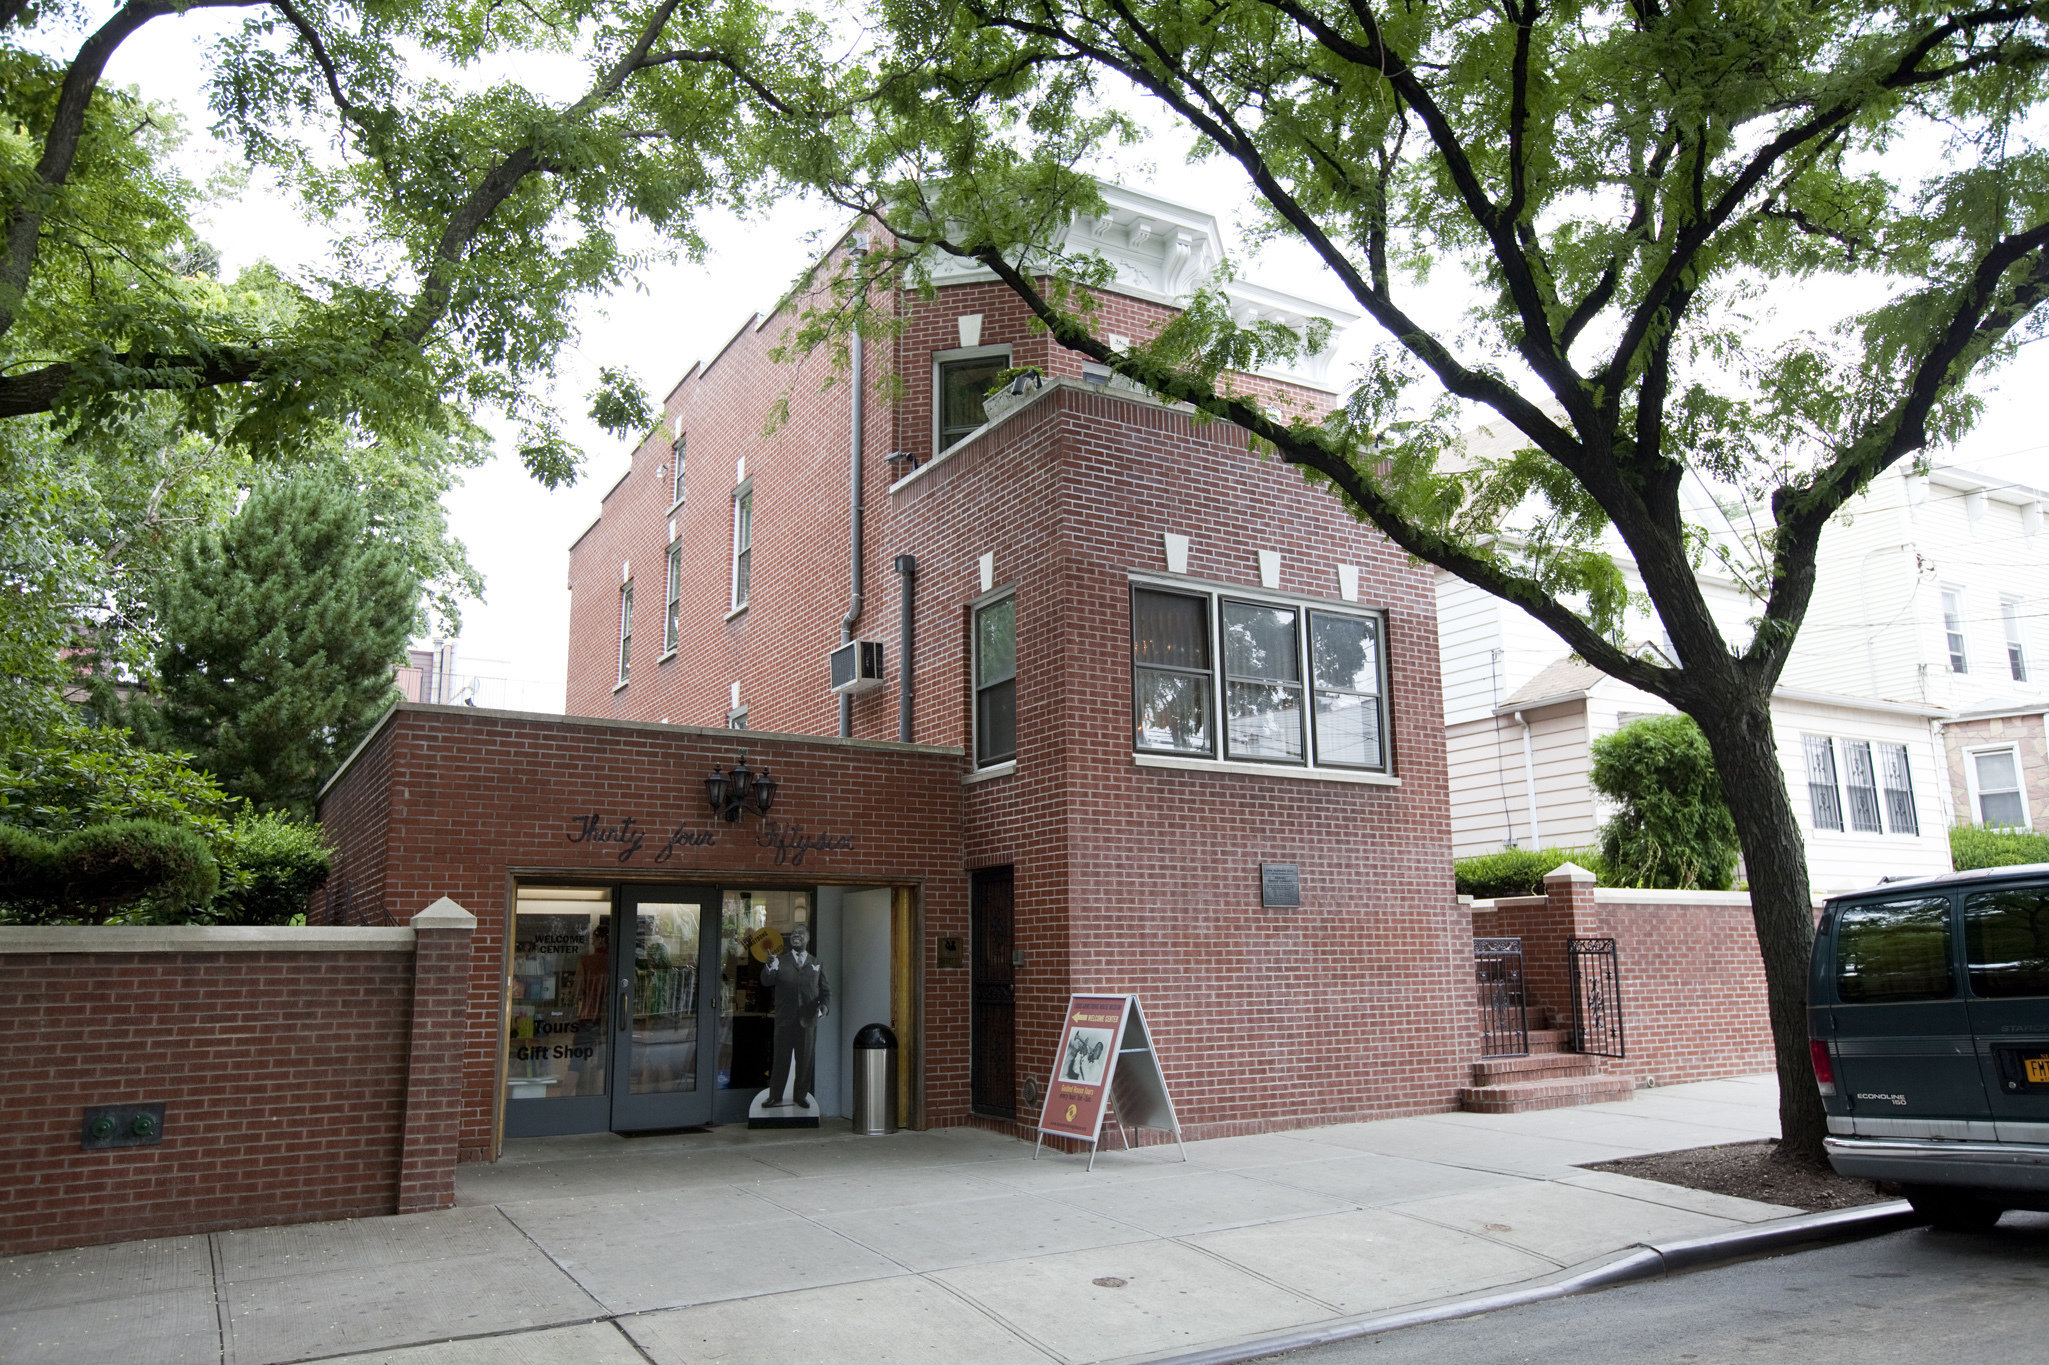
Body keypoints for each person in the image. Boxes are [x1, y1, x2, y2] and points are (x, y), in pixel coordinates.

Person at [760, 924, 829, 1107]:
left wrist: (824, 1007)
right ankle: (775, 1095)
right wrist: (768, 966)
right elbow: (766, 981)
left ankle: (800, 1095)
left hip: (808, 1020)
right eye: (793, 934)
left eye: (800, 933)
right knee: (780, 1059)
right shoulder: (780, 960)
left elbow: (825, 991)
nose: (796, 936)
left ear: (807, 939)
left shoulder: (816, 963)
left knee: (804, 1060)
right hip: (785, 1019)